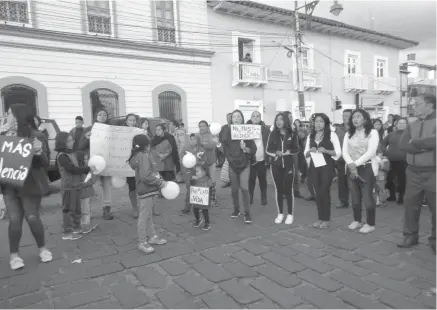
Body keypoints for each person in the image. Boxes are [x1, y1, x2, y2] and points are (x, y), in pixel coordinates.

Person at [0, 104, 52, 270]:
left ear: (17, 116)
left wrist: (38, 152)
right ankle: (14, 256)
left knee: (32, 217)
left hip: (29, 184)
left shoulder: (36, 135)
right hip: (9, 185)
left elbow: (45, 163)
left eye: (8, 113)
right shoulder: (2, 134)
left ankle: (43, 249)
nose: (6, 115)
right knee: (14, 219)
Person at [398, 94, 436, 252]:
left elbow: (434, 141)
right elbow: (402, 144)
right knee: (410, 205)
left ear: (430, 106)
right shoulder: (411, 123)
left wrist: (414, 143)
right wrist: (424, 147)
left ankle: (435, 240)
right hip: (413, 171)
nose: (414, 106)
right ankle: (410, 235)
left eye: (418, 103)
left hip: (434, 171)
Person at [128, 134, 167, 254]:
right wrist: (159, 182)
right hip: (147, 189)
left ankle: (153, 236)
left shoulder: (136, 156)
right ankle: (142, 242)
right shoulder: (144, 156)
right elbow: (145, 176)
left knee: (148, 214)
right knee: (144, 216)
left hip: (144, 189)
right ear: (146, 146)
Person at [342, 109, 379, 234]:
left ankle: (370, 223)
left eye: (358, 117)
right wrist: (351, 165)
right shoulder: (348, 134)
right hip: (351, 169)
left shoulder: (372, 133)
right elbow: (344, 152)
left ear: (365, 119)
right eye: (353, 117)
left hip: (366, 168)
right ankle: (357, 220)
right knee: (355, 197)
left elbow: (371, 152)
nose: (355, 119)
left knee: (367, 197)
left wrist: (355, 164)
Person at [305, 113, 341, 228]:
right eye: (316, 121)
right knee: (318, 193)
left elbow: (338, 153)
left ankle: (326, 219)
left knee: (324, 191)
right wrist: (310, 151)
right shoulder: (310, 136)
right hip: (314, 167)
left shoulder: (332, 135)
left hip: (327, 168)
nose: (318, 124)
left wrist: (326, 151)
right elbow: (305, 153)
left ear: (325, 123)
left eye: (321, 121)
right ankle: (320, 218)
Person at [77, 107, 114, 220]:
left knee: (107, 186)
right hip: (94, 162)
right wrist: (87, 138)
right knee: (94, 186)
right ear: (95, 116)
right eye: (100, 114)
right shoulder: (89, 129)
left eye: (104, 114)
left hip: (108, 162)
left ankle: (106, 210)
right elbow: (80, 146)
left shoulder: (111, 129)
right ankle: (89, 211)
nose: (102, 116)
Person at [221, 109, 257, 223]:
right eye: (234, 116)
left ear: (242, 118)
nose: (236, 118)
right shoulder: (227, 132)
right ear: (231, 119)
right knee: (234, 189)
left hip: (244, 164)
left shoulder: (247, 132)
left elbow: (253, 149)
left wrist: (245, 148)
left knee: (245, 188)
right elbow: (225, 149)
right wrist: (230, 159)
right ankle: (236, 209)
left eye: (238, 116)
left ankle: (247, 213)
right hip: (232, 164)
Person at [55, 132, 93, 240]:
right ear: (63, 142)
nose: (72, 142)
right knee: (68, 210)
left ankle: (77, 228)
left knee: (77, 209)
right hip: (68, 187)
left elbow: (78, 165)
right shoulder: (62, 156)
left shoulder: (72, 153)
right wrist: (86, 169)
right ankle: (67, 232)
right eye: (69, 141)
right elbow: (71, 169)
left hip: (76, 186)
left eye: (72, 140)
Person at [266, 112, 299, 225]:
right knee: (278, 189)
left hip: (289, 165)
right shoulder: (273, 134)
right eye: (277, 120)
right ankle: (280, 213)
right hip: (276, 166)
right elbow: (268, 150)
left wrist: (290, 152)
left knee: (288, 190)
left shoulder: (292, 134)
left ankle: (290, 214)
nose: (278, 122)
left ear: (285, 121)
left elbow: (297, 149)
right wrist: (276, 153)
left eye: (281, 119)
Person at [380, 117, 408, 204]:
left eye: (403, 123)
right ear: (396, 124)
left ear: (406, 125)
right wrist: (385, 151)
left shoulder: (409, 135)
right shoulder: (391, 134)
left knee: (401, 180)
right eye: (400, 123)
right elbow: (383, 143)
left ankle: (401, 196)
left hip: (403, 161)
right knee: (389, 179)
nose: (401, 125)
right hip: (390, 160)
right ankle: (392, 196)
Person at [247, 111, 270, 206]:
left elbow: (269, 142)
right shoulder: (246, 129)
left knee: (262, 179)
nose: (255, 117)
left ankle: (263, 197)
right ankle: (250, 197)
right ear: (251, 118)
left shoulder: (265, 129)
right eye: (253, 116)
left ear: (260, 118)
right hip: (251, 158)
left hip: (262, 158)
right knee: (251, 179)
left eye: (257, 116)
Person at [180, 134, 204, 215]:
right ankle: (187, 208)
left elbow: (204, 160)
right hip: (189, 172)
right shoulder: (186, 149)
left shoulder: (201, 149)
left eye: (194, 139)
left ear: (197, 140)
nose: (193, 141)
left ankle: (199, 207)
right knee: (189, 190)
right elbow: (183, 159)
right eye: (191, 139)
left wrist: (198, 162)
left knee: (198, 190)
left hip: (198, 172)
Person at [198, 120, 219, 207]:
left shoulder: (212, 135)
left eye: (203, 125)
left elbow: (212, 145)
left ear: (207, 126)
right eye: (200, 126)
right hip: (200, 162)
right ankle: (203, 198)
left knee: (212, 180)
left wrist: (201, 144)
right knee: (201, 181)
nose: (202, 127)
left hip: (211, 161)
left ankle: (213, 198)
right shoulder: (197, 135)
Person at [190, 159, 213, 231]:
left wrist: (210, 198)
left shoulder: (208, 179)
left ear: (204, 172)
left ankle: (207, 223)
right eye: (196, 171)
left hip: (204, 199)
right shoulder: (196, 179)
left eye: (197, 171)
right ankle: (198, 219)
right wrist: (192, 180)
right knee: (195, 209)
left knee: (204, 211)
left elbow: (210, 187)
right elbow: (192, 186)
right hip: (197, 199)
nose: (196, 173)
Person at [125, 114, 140, 218]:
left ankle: (147, 207)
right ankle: (135, 207)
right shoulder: (121, 133)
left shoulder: (140, 132)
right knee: (132, 187)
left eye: (134, 120)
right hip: (128, 165)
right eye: (130, 120)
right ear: (127, 122)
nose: (132, 122)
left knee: (142, 185)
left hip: (139, 163)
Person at [218, 113, 232, 186]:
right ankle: (228, 181)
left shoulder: (235, 127)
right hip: (224, 150)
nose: (228, 119)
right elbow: (220, 138)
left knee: (232, 167)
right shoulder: (224, 128)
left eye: (230, 117)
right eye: (227, 118)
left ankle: (234, 182)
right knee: (226, 168)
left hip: (233, 151)